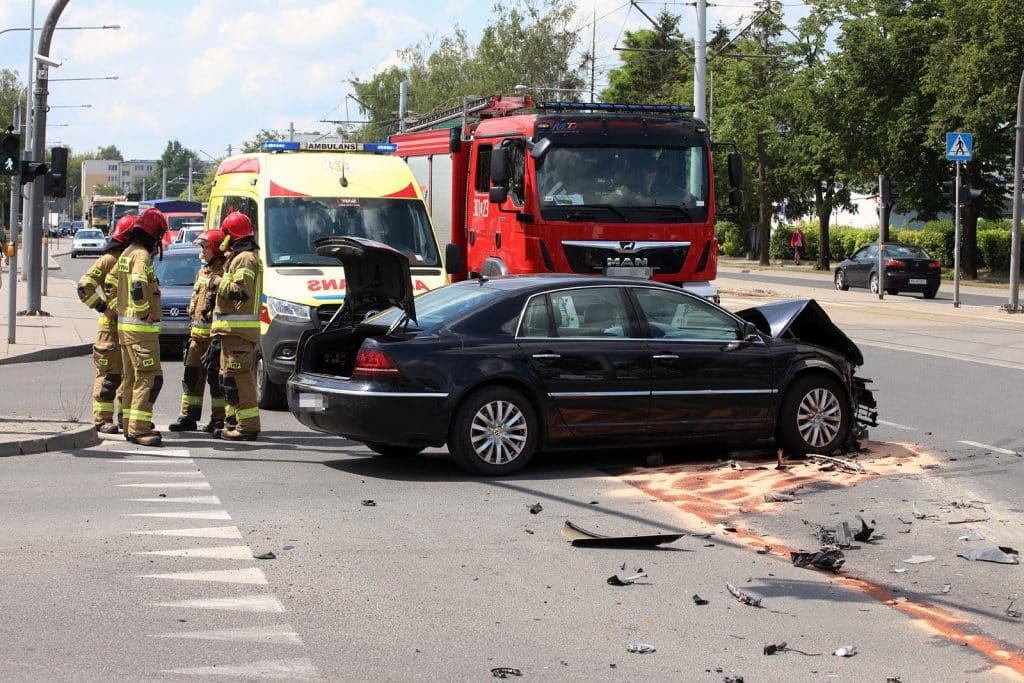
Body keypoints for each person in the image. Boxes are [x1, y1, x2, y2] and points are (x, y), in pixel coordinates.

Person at [77, 214, 135, 434]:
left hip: (128, 328)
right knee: (110, 376)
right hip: (110, 331)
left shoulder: (131, 258)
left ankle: (125, 419)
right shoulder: (110, 259)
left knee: (129, 376)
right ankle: (102, 419)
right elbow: (84, 287)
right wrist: (103, 308)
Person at [116, 208, 167, 447]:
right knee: (149, 378)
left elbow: (113, 284)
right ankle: (139, 429)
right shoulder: (142, 256)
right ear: (153, 233)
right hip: (140, 331)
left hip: (126, 329)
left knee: (131, 379)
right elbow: (138, 285)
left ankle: (129, 424)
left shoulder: (127, 252)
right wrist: (144, 310)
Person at [167, 228, 227, 434]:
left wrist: (218, 340)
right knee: (191, 377)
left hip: (214, 338)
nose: (202, 251)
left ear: (217, 249)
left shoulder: (225, 275)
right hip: (196, 338)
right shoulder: (202, 272)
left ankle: (219, 420)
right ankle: (188, 417)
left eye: (206, 247)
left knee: (216, 381)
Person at [211, 211, 263, 441]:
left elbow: (241, 291)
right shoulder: (239, 256)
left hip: (240, 333)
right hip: (232, 333)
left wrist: (217, 281)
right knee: (230, 379)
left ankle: (248, 426)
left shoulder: (244, 259)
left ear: (232, 234)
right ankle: (235, 422)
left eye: (226, 234)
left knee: (241, 379)